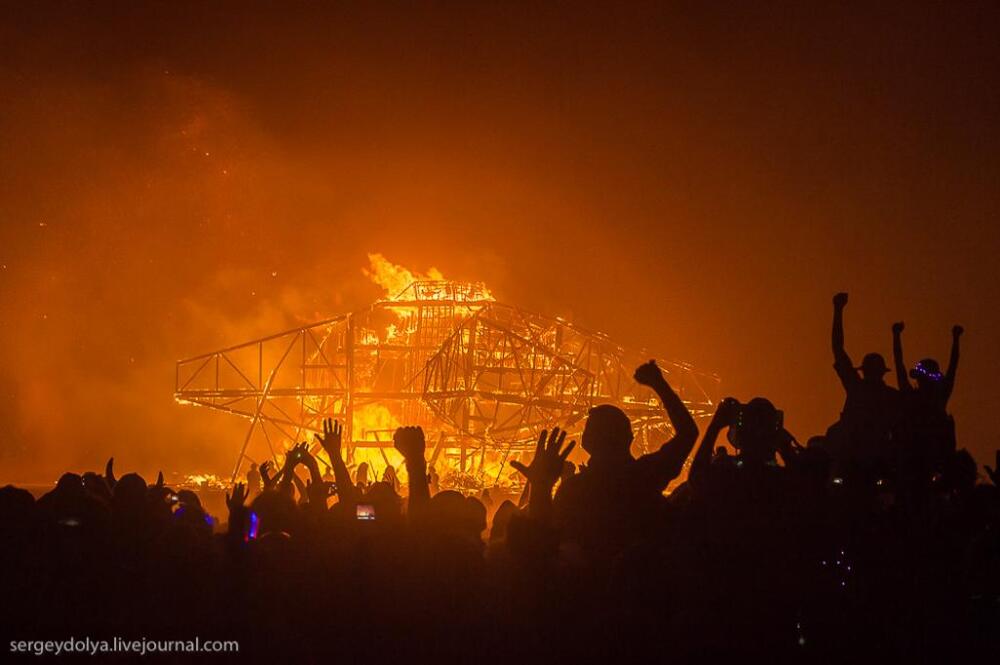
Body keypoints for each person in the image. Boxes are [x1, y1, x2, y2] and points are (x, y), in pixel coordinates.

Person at [517, 360, 698, 567]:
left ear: (588, 441)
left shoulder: (575, 490)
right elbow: (688, 433)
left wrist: (541, 487)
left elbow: (543, 548)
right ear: (629, 438)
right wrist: (658, 384)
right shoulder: (643, 475)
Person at [828, 292, 900, 476]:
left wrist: (838, 310)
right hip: (859, 460)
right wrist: (837, 310)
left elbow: (838, 348)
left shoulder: (858, 388)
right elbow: (838, 349)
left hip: (869, 462)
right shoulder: (886, 395)